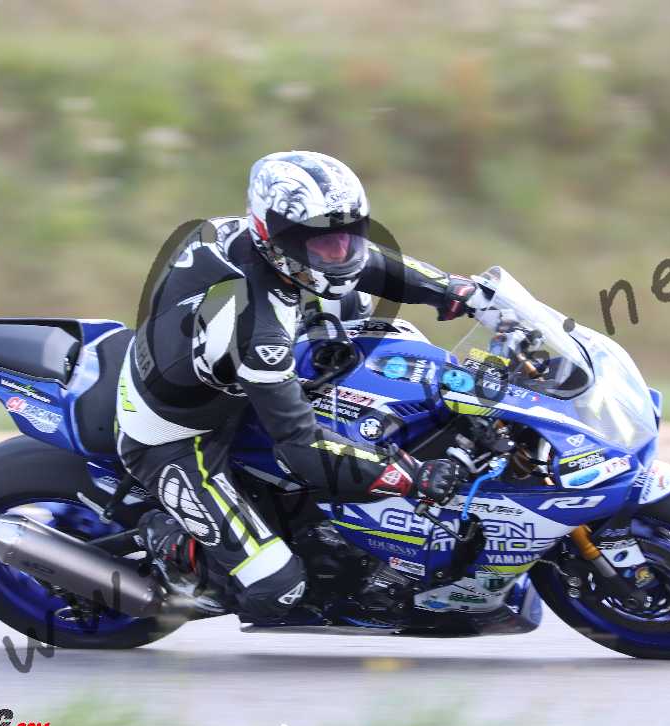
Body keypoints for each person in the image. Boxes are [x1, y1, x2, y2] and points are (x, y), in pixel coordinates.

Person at [117, 150, 493, 620]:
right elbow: (299, 446)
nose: (340, 253)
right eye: (324, 244)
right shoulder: (259, 324)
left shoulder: (253, 240)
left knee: (353, 313)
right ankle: (172, 542)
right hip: (178, 436)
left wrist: (458, 291)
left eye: (348, 236)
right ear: (277, 236)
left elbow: (368, 265)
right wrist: (410, 476)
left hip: (224, 376)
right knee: (277, 588)